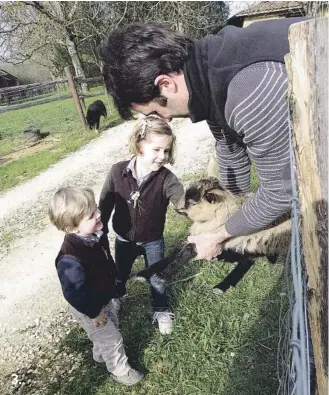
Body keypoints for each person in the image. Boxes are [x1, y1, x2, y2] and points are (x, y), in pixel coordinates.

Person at [100, 17, 308, 261]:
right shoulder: (209, 77)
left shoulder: (247, 93)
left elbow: (281, 191)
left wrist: (220, 235)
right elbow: (230, 150)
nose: (164, 120)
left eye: (155, 112)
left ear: (165, 84)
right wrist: (230, 214)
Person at [48, 186, 144, 386]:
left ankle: (100, 354)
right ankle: (119, 370)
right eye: (91, 215)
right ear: (71, 228)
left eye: (96, 209)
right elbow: (75, 294)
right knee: (112, 338)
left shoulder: (94, 234)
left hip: (102, 296)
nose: (99, 214)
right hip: (88, 306)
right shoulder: (70, 258)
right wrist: (93, 313)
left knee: (111, 324)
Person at [99, 115, 184, 335]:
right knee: (120, 272)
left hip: (153, 240)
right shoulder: (117, 172)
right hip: (123, 239)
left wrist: (191, 207)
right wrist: (101, 229)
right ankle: (117, 297)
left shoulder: (167, 179)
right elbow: (105, 202)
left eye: (166, 151)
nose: (162, 157)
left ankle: (161, 309)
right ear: (139, 144)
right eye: (156, 150)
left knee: (157, 277)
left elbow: (181, 200)